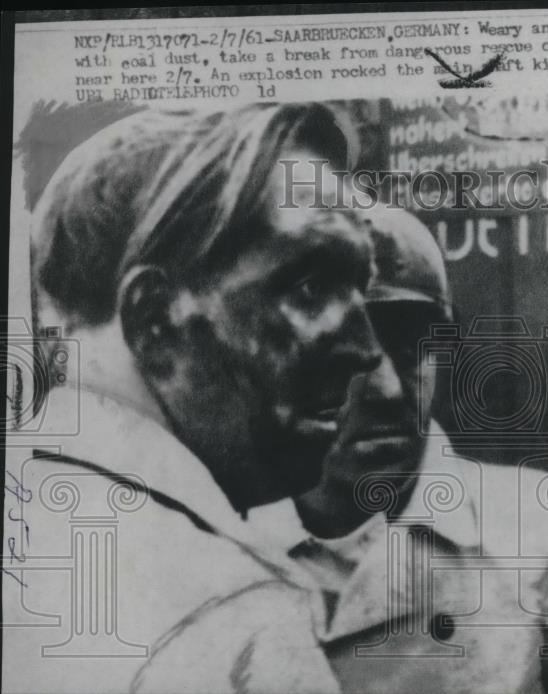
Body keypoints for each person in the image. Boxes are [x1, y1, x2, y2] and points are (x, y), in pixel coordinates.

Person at [136, 207, 548, 693]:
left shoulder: (543, 527)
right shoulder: (209, 546)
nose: (388, 389)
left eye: (412, 348)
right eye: (341, 356)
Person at [5, 103, 382, 693]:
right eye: (310, 286)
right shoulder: (233, 614)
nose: (366, 350)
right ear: (155, 319)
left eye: (361, 290)